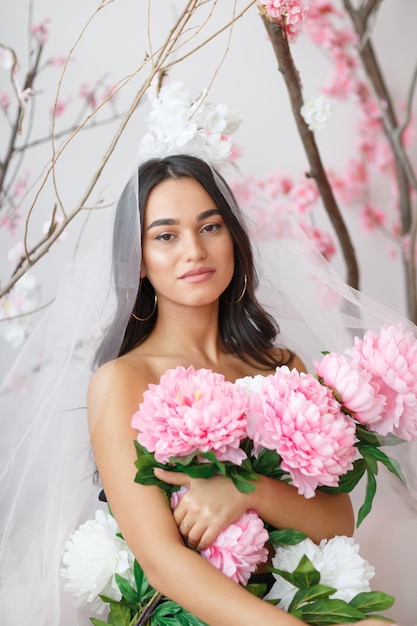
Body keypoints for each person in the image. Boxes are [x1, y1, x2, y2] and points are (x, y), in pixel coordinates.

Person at [87, 154, 390, 626]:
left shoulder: (281, 368)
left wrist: (246, 492)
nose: (194, 250)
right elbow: (163, 563)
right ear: (138, 261)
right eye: (166, 235)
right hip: (189, 610)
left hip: (292, 595)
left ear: (234, 238)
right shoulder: (123, 380)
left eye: (210, 227)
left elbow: (337, 523)